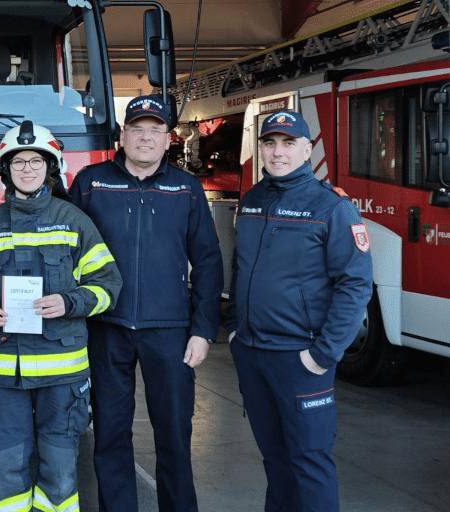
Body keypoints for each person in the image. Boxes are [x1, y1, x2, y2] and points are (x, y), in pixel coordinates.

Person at [68, 95, 223, 512]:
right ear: (123, 134)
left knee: (174, 434)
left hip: (170, 330)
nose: (145, 138)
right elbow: (64, 252)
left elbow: (207, 260)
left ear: (168, 138)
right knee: (111, 435)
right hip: (106, 327)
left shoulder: (186, 188)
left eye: (155, 130)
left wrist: (204, 330)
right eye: (137, 128)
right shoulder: (90, 181)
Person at [0, 121, 122, 512]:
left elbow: (108, 286)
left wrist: (69, 303)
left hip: (61, 373)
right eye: (18, 162)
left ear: (51, 168)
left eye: (36, 161)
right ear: (5, 171)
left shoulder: (74, 222)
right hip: (4, 372)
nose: (27, 168)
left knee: (61, 470)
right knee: (2, 466)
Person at [227, 111, 373, 512]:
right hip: (253, 354)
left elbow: (356, 283)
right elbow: (241, 269)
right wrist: (236, 329)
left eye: (288, 143)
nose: (277, 152)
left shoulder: (331, 207)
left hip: (300, 358)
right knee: (275, 461)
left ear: (308, 149)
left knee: (309, 462)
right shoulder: (253, 200)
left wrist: (323, 354)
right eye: (270, 143)